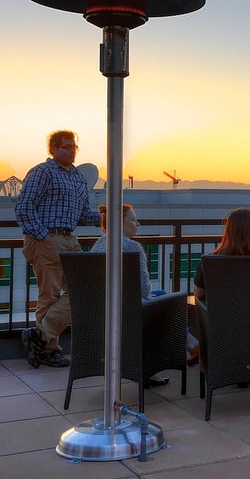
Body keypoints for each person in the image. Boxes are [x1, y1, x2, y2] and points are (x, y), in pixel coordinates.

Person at [15, 130, 102, 368]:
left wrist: (106, 216)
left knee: (84, 289)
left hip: (69, 238)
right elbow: (24, 207)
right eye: (65, 147)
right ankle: (47, 350)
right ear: (52, 149)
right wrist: (43, 237)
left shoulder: (78, 177)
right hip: (46, 238)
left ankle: (39, 337)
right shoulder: (42, 172)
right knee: (49, 296)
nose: (71, 150)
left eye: (73, 146)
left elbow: (83, 214)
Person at [91, 204, 200, 373]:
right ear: (120, 222)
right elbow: (143, 291)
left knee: (162, 294)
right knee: (171, 302)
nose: (138, 224)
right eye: (133, 220)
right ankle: (190, 344)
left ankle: (188, 343)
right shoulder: (132, 247)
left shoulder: (98, 244)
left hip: (102, 310)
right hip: (128, 313)